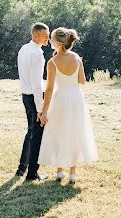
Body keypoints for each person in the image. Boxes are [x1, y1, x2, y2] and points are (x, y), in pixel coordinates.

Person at [38, 27, 98, 183]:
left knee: (60, 132)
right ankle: (72, 173)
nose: (50, 40)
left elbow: (49, 89)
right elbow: (82, 81)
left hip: (61, 98)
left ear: (58, 43)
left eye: (51, 38)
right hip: (76, 98)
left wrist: (44, 111)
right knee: (74, 131)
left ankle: (59, 171)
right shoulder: (77, 58)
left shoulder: (52, 62)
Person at [16, 22, 50, 181]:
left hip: (25, 95)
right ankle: (32, 173)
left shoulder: (24, 48)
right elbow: (36, 84)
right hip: (34, 96)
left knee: (30, 132)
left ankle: (22, 168)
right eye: (45, 35)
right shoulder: (37, 54)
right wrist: (40, 108)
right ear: (36, 36)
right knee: (36, 135)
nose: (48, 38)